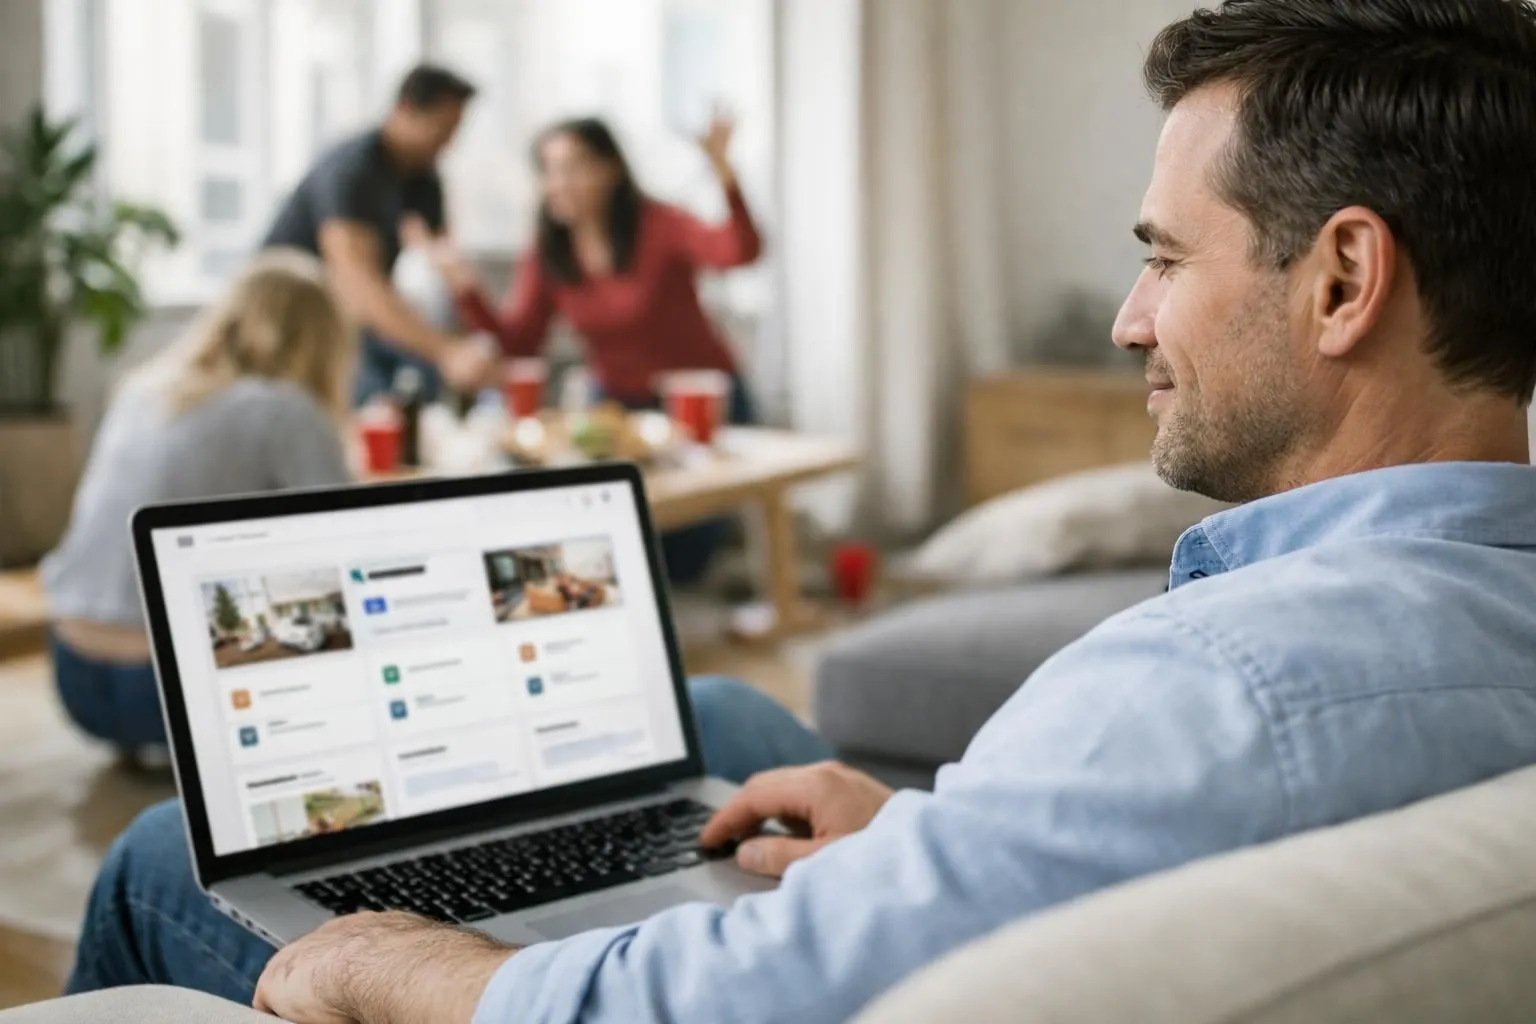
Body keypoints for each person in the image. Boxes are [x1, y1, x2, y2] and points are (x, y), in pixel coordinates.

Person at [66, 1, 1536, 1021]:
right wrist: (932, 838)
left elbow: (702, 1005)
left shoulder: (1209, 690)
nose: (1130, 320)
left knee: (162, 853)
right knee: (725, 727)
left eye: (1163, 256)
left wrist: (403, 967)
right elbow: (1152, 847)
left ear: (1344, 281)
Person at [40, 250, 356, 762]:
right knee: (332, 599)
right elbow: (345, 541)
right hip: (163, 691)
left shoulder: (142, 389)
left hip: (73, 670)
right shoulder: (288, 409)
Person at [428, 115, 763, 583]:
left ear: (611, 170)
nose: (558, 183)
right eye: (549, 170)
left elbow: (739, 252)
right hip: (616, 413)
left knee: (678, 567)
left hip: (697, 405)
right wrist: (465, 290)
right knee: (615, 563)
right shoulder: (551, 247)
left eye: (573, 168)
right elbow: (522, 341)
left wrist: (724, 174)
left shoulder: (660, 223)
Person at [261, 64, 497, 406]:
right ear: (405, 111)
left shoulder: (424, 178)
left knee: (423, 379)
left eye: (455, 130)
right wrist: (446, 351)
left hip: (346, 318)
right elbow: (358, 287)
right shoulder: (352, 169)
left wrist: (473, 345)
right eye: (442, 128)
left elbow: (449, 266)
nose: (449, 143)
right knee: (373, 392)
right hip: (288, 318)